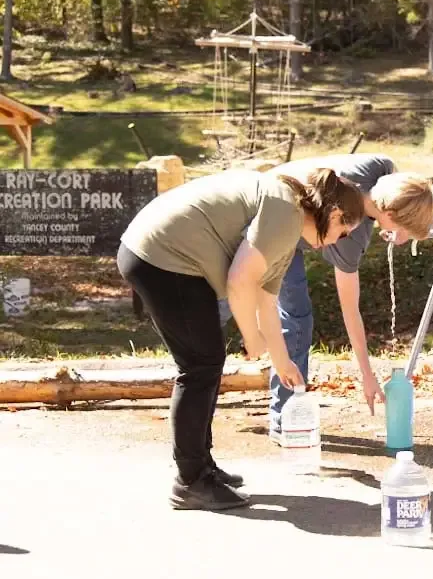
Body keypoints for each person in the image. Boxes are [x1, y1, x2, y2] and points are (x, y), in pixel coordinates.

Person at [118, 168, 364, 511]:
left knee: (205, 363)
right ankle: (191, 481)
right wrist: (252, 339)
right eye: (343, 231)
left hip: (164, 256)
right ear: (335, 214)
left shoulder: (288, 224)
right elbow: (239, 282)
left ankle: (202, 468)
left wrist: (281, 360)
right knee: (200, 365)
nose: (339, 241)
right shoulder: (285, 211)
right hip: (161, 256)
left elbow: (266, 297)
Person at [259, 154, 433, 441]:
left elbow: (399, 192)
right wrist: (367, 375)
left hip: (277, 195)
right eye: (402, 229)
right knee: (296, 317)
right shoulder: (350, 238)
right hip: (274, 220)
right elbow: (350, 310)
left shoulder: (379, 169)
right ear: (388, 216)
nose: (402, 237)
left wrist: (397, 229)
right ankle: (285, 418)